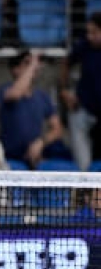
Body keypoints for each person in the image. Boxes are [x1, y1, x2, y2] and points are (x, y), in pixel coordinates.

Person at [0, 50, 66, 168]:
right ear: (15, 69)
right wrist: (33, 64)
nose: (33, 67)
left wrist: (41, 142)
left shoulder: (42, 96)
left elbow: (58, 129)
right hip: (11, 157)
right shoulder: (5, 89)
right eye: (26, 63)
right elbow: (15, 94)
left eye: (33, 63)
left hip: (36, 157)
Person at [59, 11, 101, 171]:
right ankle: (85, 185)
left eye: (94, 32)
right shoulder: (84, 46)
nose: (89, 36)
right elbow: (66, 63)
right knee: (84, 167)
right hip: (83, 111)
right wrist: (64, 90)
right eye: (88, 32)